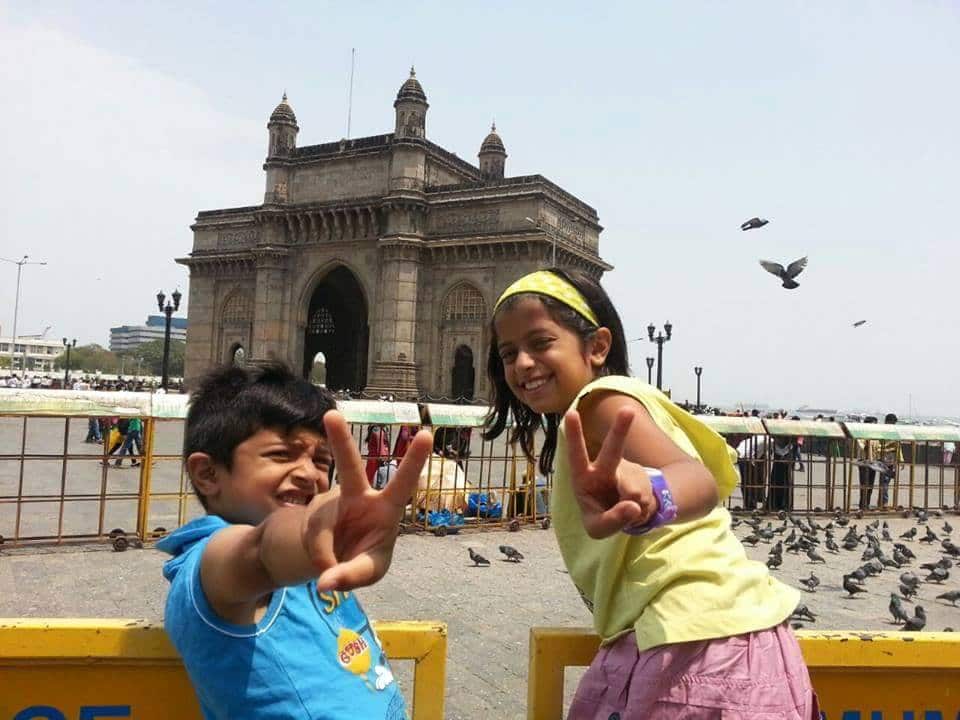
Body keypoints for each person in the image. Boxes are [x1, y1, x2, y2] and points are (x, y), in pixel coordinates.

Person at [481, 269, 815, 719]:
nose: (522, 362)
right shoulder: (615, 403)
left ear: (597, 347)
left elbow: (696, 479)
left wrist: (652, 494)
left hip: (693, 646)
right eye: (508, 352)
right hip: (726, 637)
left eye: (540, 343)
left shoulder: (601, 403)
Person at [156, 362, 431, 720]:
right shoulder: (211, 562)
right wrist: (306, 532)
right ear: (208, 474)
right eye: (282, 455)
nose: (308, 474)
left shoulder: (316, 558)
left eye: (321, 460)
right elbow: (259, 553)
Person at [878, 413, 902, 509]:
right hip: (886, 461)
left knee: (884, 482)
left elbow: (898, 448)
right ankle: (883, 502)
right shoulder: (890, 432)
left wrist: (900, 460)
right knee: (884, 482)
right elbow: (897, 447)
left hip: (888, 461)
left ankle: (882, 502)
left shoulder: (885, 431)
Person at [857, 416, 879, 509]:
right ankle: (862, 504)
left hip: (873, 462)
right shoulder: (862, 435)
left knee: (870, 484)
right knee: (864, 484)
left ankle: (867, 504)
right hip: (864, 462)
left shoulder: (875, 435)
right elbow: (861, 446)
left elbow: (878, 447)